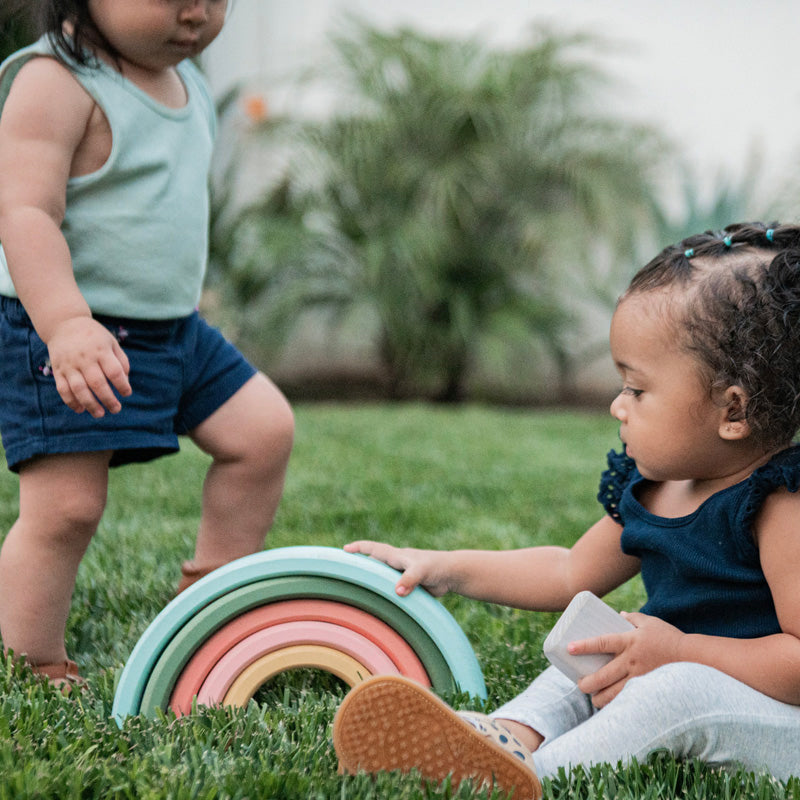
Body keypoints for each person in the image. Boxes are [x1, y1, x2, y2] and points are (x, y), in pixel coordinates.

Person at [332, 222, 800, 799]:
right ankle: (506, 736)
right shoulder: (657, 488)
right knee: (590, 648)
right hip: (673, 670)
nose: (617, 406)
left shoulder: (780, 504)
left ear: (733, 411)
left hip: (779, 719)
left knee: (675, 689)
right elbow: (567, 571)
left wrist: (680, 652)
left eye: (637, 390)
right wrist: (447, 568)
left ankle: (532, 779)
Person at [0, 0, 294, 691]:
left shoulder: (186, 79)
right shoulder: (56, 81)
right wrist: (65, 324)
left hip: (172, 330)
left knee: (263, 432)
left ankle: (209, 607)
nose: (197, 13)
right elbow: (24, 211)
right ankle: (32, 661)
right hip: (69, 330)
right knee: (67, 508)